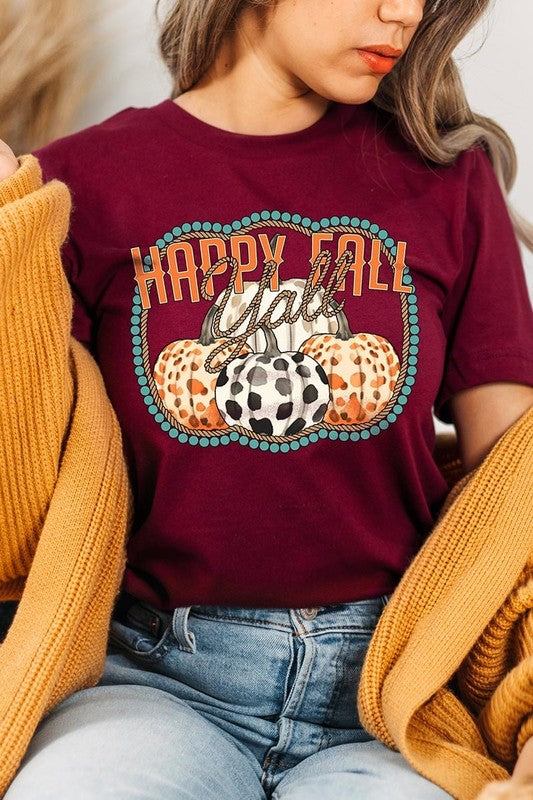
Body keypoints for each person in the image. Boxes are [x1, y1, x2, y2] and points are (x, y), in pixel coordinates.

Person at [0, 0, 532, 797]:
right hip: (154, 683)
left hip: (391, 696)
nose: (402, 14)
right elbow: (23, 501)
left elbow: (514, 498)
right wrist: (10, 241)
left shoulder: (448, 183)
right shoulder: (77, 184)